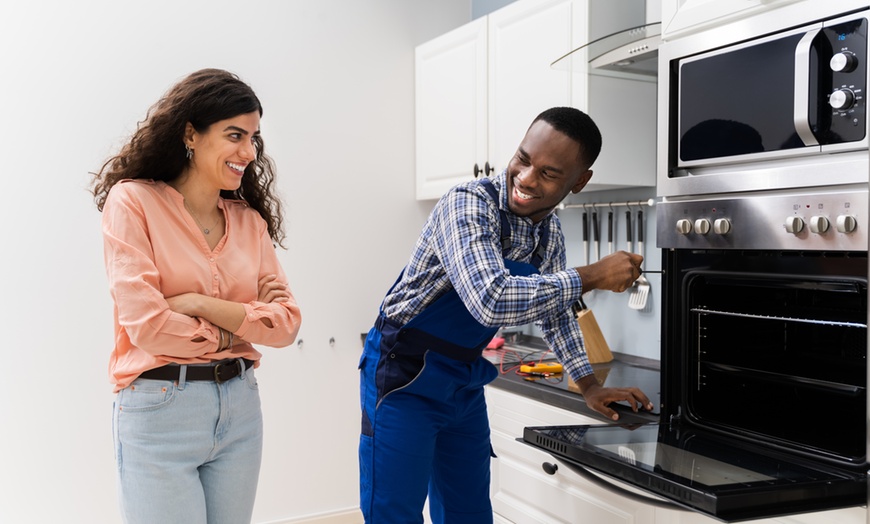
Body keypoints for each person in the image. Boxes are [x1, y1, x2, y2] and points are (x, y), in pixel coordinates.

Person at [358, 106, 654, 523]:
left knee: (470, 512)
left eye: (549, 173)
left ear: (579, 182)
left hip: (462, 378)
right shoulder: (467, 205)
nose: (527, 178)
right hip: (403, 374)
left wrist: (587, 384)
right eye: (523, 158)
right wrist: (590, 276)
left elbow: (554, 312)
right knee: (394, 513)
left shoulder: (547, 232)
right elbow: (490, 298)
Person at [91, 68, 302, 524]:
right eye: (234, 135)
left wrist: (199, 304)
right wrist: (243, 324)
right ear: (191, 133)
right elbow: (148, 327)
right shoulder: (133, 203)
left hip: (241, 408)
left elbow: (285, 325)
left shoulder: (250, 222)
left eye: (253, 138)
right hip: (160, 408)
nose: (248, 152)